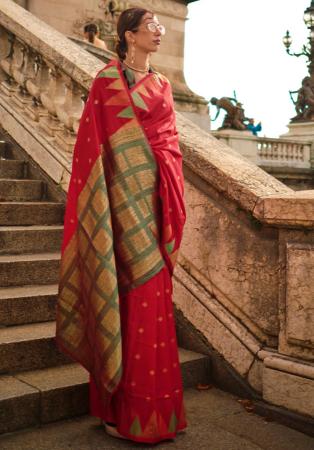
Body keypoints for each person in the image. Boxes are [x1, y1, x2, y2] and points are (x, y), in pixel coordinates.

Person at [56, 7, 187, 445]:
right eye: (151, 25)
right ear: (129, 35)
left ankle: (152, 415)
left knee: (150, 301)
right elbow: (90, 150)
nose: (159, 31)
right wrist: (108, 199)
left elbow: (169, 142)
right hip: (112, 207)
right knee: (118, 298)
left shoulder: (165, 86)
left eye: (160, 25)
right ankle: (117, 409)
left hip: (152, 206)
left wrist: (156, 172)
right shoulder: (106, 83)